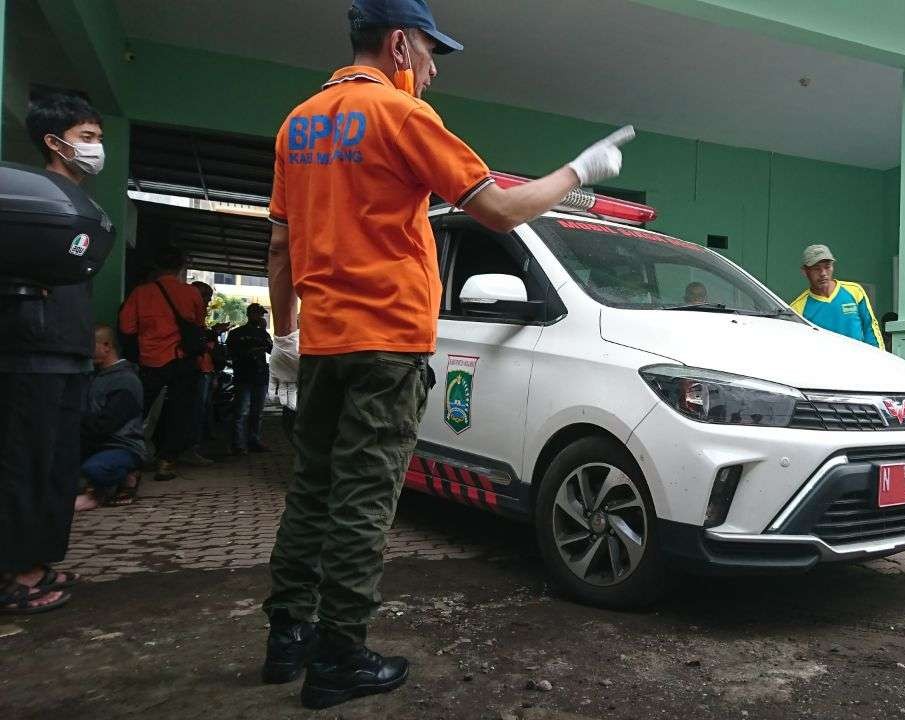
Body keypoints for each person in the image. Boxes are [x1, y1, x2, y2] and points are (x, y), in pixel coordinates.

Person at [260, 0, 635, 709]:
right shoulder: (402, 118)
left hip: (324, 346)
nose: (432, 75)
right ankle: (339, 656)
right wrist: (578, 172)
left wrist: (286, 339)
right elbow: (497, 210)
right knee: (365, 501)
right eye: (432, 56)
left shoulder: (297, 124)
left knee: (312, 491)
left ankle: (287, 640)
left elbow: (280, 244)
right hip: (387, 344)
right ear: (400, 45)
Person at [0, 93, 104, 615]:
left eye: (98, 139)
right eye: (87, 138)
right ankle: (13, 574)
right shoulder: (32, 200)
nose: (96, 148)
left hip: (69, 350)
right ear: (54, 141)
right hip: (32, 349)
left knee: (59, 465)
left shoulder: (80, 204)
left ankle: (37, 560)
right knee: (26, 463)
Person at [119, 248, 211, 480]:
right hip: (182, 360)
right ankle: (166, 462)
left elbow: (127, 327)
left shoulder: (140, 293)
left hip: (150, 361)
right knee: (180, 412)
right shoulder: (190, 294)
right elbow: (199, 325)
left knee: (138, 410)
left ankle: (126, 459)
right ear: (180, 267)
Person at [74, 326, 148, 512]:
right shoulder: (94, 376)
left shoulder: (126, 381)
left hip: (121, 445)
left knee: (94, 469)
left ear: (106, 346)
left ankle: (122, 479)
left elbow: (107, 423)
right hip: (96, 442)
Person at [789, 244, 884, 349]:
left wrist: (878, 358)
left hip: (858, 361)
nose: (823, 273)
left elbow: (870, 327)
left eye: (827, 267)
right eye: (816, 269)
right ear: (805, 271)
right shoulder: (797, 309)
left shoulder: (855, 291)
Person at [227, 303, 273, 455]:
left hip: (260, 376)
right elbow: (231, 353)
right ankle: (238, 444)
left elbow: (272, 350)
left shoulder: (263, 334)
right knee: (241, 412)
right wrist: (250, 351)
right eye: (257, 314)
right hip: (244, 376)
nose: (259, 317)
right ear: (249, 314)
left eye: (261, 314)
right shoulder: (237, 333)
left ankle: (253, 441)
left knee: (257, 412)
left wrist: (264, 333)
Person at [190, 281, 230, 454]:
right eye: (205, 298)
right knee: (197, 409)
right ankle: (193, 447)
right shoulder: (190, 316)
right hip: (197, 370)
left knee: (203, 407)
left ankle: (198, 442)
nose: (206, 303)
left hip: (206, 369)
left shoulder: (198, 317)